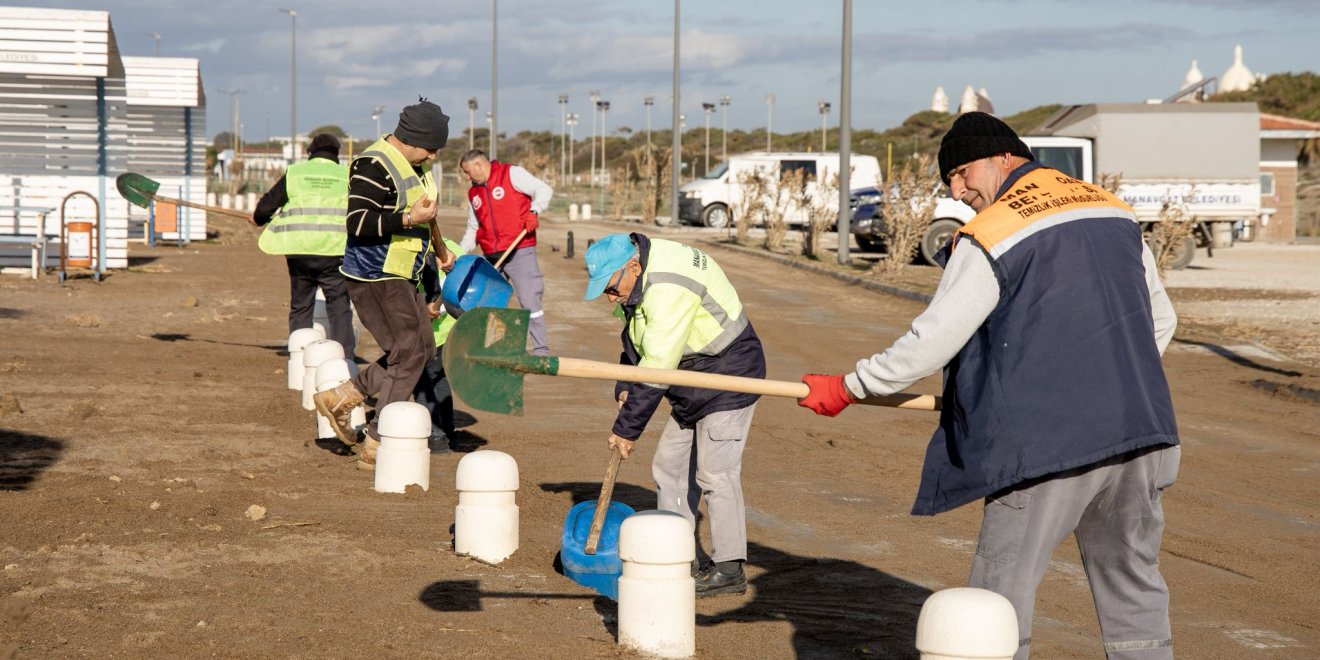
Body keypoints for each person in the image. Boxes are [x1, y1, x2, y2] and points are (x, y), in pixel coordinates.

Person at [798, 112, 1180, 660]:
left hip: (1047, 448)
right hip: (1144, 435)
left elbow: (933, 340)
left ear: (1004, 156)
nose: (958, 191)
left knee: (997, 594)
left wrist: (851, 386)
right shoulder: (1110, 209)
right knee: (1133, 582)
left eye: (962, 172)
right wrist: (1108, 382)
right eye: (948, 181)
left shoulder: (991, 232)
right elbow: (1161, 322)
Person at [584, 233, 766, 597]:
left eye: (610, 287)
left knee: (715, 471)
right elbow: (638, 339)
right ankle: (679, 557)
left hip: (729, 374)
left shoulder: (667, 286)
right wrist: (624, 383)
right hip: (690, 378)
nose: (609, 296)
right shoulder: (638, 279)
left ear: (632, 267)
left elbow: (656, 369)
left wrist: (626, 430)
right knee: (669, 467)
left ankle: (730, 570)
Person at [313, 99, 456, 470]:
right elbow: (357, 222)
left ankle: (344, 396)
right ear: (412, 138)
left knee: (417, 349)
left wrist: (439, 251)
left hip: (402, 274)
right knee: (411, 353)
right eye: (432, 148)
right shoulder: (372, 165)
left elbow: (427, 218)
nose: (435, 156)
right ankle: (377, 439)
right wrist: (409, 217)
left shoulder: (416, 165)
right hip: (375, 276)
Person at [250, 133, 355, 355]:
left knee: (301, 305)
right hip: (334, 252)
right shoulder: (347, 176)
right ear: (337, 155)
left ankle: (299, 356)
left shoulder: (296, 173)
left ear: (310, 153)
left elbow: (268, 205)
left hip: (299, 252)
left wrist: (258, 218)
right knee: (339, 307)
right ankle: (344, 357)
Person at [458, 149, 552, 356]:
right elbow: (474, 229)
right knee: (492, 304)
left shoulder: (511, 174)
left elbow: (543, 189)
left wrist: (534, 211)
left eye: (467, 172)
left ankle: (540, 350)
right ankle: (495, 350)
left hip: (520, 250)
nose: (466, 177)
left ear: (479, 165)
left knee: (529, 301)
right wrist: (458, 252)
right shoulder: (474, 193)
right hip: (492, 257)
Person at [412, 236, 465, 453]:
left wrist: (432, 307)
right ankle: (448, 431)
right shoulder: (452, 246)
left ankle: (435, 434)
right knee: (439, 378)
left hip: (431, 334)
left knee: (421, 380)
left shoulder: (414, 249)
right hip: (452, 332)